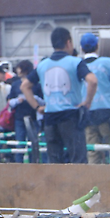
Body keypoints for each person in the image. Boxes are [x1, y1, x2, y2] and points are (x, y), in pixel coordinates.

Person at [22, 27, 97, 164]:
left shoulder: (42, 65)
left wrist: (37, 106)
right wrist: (87, 102)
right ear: (68, 42)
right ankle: (78, 186)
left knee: (55, 161)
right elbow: (92, 80)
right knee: (77, 159)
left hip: (50, 118)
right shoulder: (75, 62)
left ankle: (56, 186)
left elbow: (25, 86)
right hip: (71, 116)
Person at [79, 32, 110, 164]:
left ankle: (95, 181)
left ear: (81, 48)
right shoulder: (108, 63)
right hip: (107, 111)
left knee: (92, 150)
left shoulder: (77, 64)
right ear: (97, 46)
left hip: (87, 113)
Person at [7, 60, 43, 163]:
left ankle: (33, 165)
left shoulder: (36, 84)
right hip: (19, 117)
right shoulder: (15, 84)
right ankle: (19, 165)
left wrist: (33, 98)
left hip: (33, 117)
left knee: (34, 144)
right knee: (20, 144)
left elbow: (42, 100)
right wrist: (18, 100)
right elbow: (10, 101)